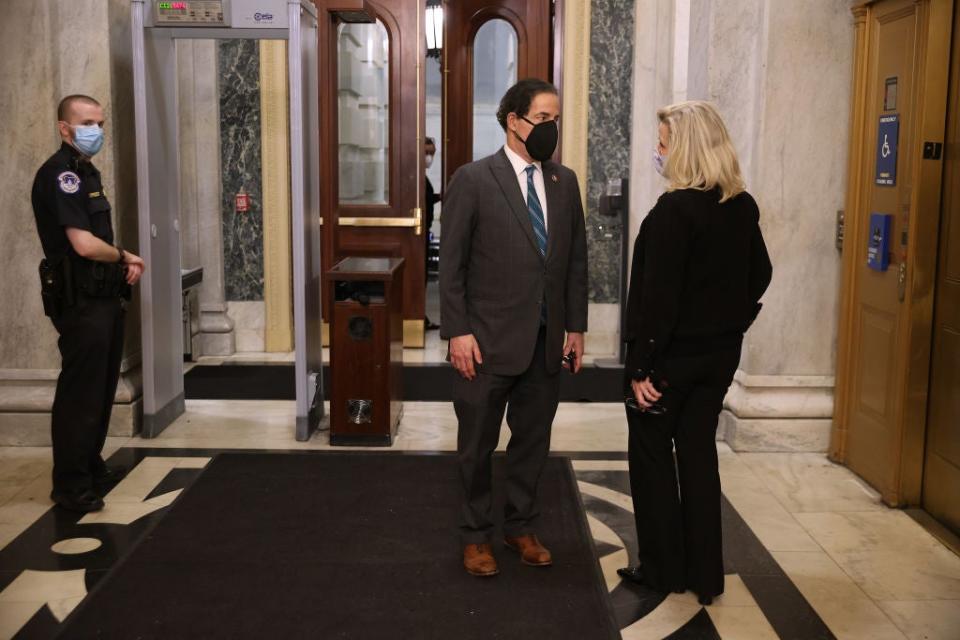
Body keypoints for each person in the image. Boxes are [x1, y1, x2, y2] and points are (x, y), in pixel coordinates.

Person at [618, 100, 771, 604]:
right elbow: (761, 276)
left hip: (668, 364)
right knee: (700, 456)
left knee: (652, 459)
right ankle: (706, 574)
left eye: (663, 143)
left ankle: (663, 569)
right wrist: (733, 327)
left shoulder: (672, 213)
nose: (657, 152)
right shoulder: (741, 205)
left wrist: (641, 368)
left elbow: (657, 301)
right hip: (719, 359)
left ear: (684, 149)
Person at [440, 78, 588, 577]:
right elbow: (452, 265)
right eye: (543, 118)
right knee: (477, 446)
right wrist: (457, 332)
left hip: (546, 342)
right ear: (514, 122)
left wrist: (576, 328)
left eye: (555, 119)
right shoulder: (474, 179)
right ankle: (476, 536)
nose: (552, 128)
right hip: (483, 343)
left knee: (532, 443)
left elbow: (574, 264)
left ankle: (520, 526)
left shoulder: (564, 182)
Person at [32, 95, 146, 513]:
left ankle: (90, 464)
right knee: (81, 392)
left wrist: (119, 261)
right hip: (80, 299)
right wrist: (125, 256)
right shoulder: (61, 174)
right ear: (64, 127)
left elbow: (95, 238)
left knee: (99, 388)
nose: (96, 130)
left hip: (101, 293)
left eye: (99, 122)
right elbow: (81, 244)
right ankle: (70, 484)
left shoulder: (84, 170)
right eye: (86, 123)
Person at [424, 137, 441, 331]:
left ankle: (421, 318)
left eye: (432, 153)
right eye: (426, 152)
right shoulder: (415, 176)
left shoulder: (424, 177)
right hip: (418, 235)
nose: (429, 157)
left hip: (425, 233)